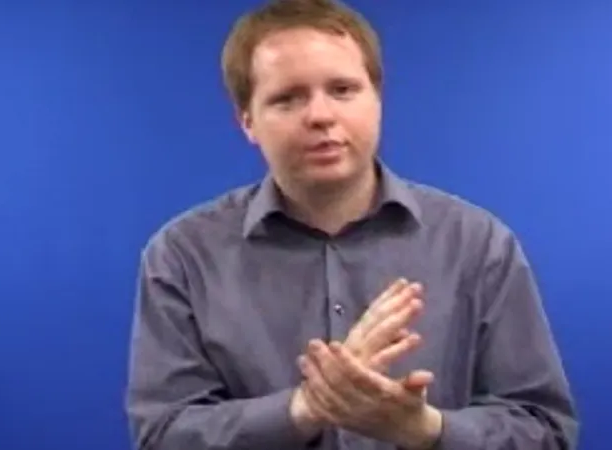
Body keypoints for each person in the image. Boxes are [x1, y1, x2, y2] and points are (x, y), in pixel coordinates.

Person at [124, 0, 580, 449]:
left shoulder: (479, 244)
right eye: (287, 98)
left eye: (342, 90)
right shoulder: (182, 256)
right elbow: (164, 435)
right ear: (248, 121)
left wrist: (425, 431)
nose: (321, 116)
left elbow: (546, 432)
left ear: (377, 100)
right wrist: (304, 409)